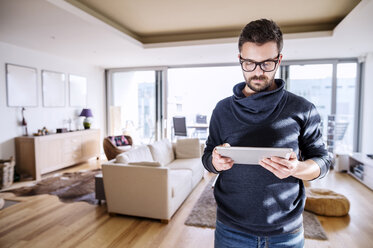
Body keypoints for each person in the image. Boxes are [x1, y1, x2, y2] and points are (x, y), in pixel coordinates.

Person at [202, 19, 331, 248]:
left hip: (286, 233)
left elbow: (323, 161)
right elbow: (208, 155)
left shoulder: (303, 108)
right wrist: (214, 162)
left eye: (267, 63)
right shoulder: (222, 110)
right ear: (240, 59)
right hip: (231, 230)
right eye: (250, 63)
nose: (258, 72)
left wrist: (298, 168)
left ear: (279, 59)